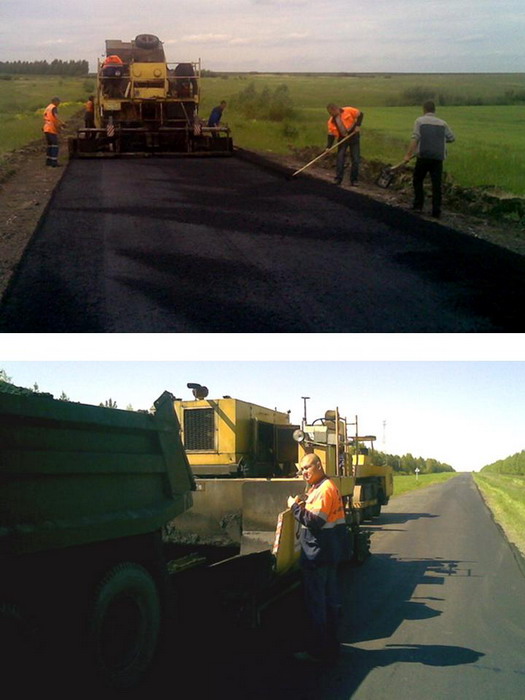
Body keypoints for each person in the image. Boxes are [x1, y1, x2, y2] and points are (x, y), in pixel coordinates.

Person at [287, 452, 348, 662]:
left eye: (307, 468)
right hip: (328, 554)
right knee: (330, 602)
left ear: (319, 465)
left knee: (317, 604)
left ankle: (318, 650)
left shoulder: (324, 489)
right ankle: (332, 646)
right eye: (301, 469)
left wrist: (293, 507)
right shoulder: (321, 487)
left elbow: (316, 521)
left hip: (318, 556)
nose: (304, 472)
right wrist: (303, 503)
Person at [403, 100, 455, 219]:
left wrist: (408, 155)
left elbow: (415, 138)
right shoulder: (443, 123)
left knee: (418, 179)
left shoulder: (420, 121)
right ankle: (436, 211)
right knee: (436, 184)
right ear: (434, 110)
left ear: (424, 110)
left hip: (423, 156)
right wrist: (437, 141)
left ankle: (418, 206)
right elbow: (451, 138)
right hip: (438, 158)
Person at [326, 102, 364, 186]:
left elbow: (360, 114)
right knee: (340, 158)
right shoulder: (331, 121)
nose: (331, 114)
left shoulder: (348, 110)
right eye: (330, 113)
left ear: (335, 109)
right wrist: (328, 147)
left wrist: (358, 126)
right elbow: (331, 135)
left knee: (355, 159)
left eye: (331, 112)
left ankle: (354, 180)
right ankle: (338, 178)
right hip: (342, 139)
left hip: (353, 137)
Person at [42, 97, 65, 167]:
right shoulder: (54, 108)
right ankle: (54, 162)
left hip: (46, 128)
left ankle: (48, 161)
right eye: (58, 102)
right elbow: (56, 118)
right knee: (55, 145)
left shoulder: (48, 108)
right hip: (51, 128)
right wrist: (62, 124)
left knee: (50, 145)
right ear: (56, 102)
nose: (59, 104)